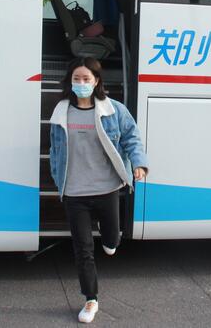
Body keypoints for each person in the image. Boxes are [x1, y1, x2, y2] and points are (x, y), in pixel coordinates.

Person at [49, 57, 148, 324]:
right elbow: (55, 148)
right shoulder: (61, 111)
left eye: (86, 79)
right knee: (83, 249)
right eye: (76, 79)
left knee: (112, 241)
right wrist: (57, 178)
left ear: (96, 81)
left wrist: (138, 163)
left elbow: (132, 138)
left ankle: (110, 239)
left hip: (107, 188)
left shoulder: (113, 110)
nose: (81, 83)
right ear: (70, 81)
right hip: (75, 192)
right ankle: (90, 299)